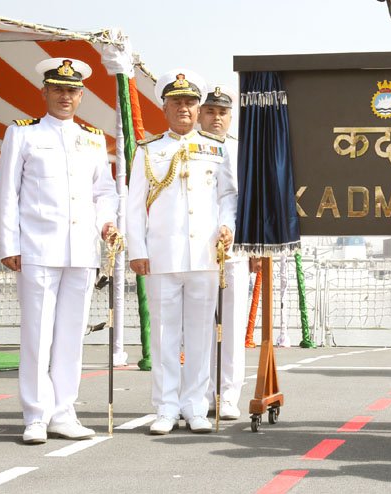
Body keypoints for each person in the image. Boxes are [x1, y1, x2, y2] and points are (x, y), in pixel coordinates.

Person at [0, 57, 119, 444]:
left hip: (82, 250)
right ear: (44, 92)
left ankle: (64, 411)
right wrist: (9, 244)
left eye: (71, 91)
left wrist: (107, 222)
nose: (65, 96)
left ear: (81, 96)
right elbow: (7, 193)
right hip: (37, 248)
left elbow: (105, 191)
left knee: (71, 336)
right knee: (36, 337)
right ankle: (36, 415)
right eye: (58, 90)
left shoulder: (93, 139)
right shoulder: (23, 134)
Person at [127, 70, 238, 435]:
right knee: (164, 335)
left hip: (205, 255)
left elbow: (227, 196)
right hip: (162, 256)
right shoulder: (148, 150)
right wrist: (137, 249)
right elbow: (134, 205)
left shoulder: (216, 148)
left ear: (197, 107)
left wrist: (228, 226)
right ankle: (166, 406)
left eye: (190, 102)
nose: (184, 109)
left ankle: (195, 406)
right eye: (176, 102)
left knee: (202, 334)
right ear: (164, 107)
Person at [198, 84, 260, 420]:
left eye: (222, 112)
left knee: (232, 327)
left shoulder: (242, 151)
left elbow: (249, 201)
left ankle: (228, 394)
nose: (216, 118)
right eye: (210, 111)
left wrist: (252, 246)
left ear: (231, 116)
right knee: (198, 326)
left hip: (233, 249)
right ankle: (202, 393)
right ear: (200, 114)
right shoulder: (188, 148)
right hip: (195, 250)